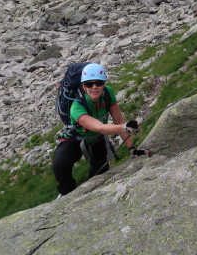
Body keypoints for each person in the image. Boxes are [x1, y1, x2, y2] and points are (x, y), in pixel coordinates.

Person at [52, 63, 147, 196]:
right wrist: (125, 127)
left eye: (98, 83)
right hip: (74, 139)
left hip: (97, 140)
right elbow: (100, 127)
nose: (94, 87)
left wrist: (132, 148)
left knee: (100, 177)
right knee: (60, 164)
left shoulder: (108, 93)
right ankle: (67, 193)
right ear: (83, 86)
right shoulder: (76, 106)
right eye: (89, 84)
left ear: (104, 84)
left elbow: (118, 121)